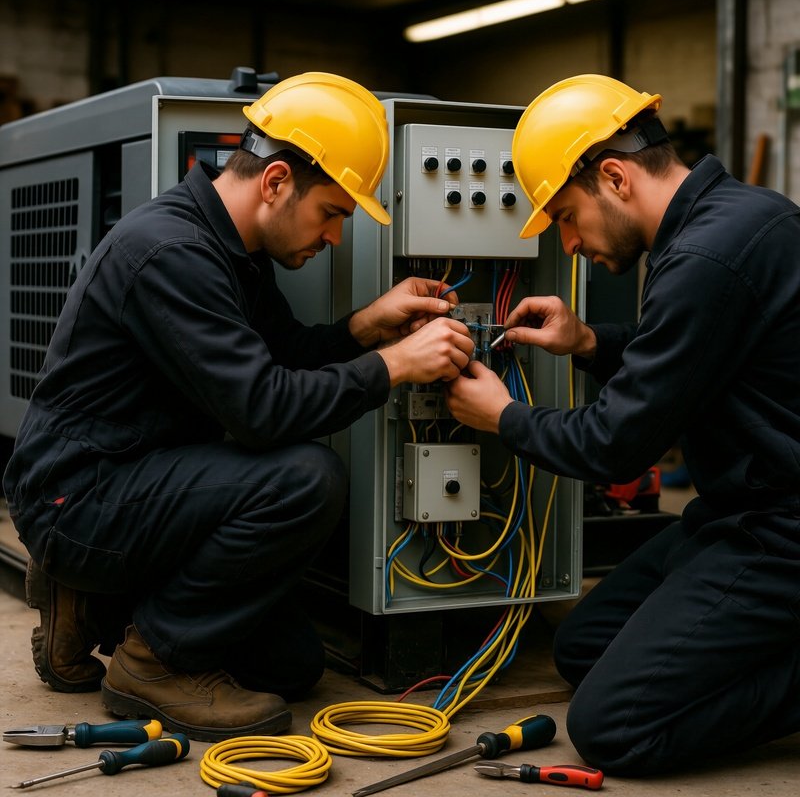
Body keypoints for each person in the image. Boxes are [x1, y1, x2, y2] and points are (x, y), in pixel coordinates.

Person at [2, 71, 474, 742]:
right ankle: (150, 662)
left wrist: (366, 327)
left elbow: (280, 354)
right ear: (277, 181)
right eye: (333, 214)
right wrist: (393, 366)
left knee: (291, 665)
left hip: (140, 478)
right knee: (307, 478)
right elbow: (263, 409)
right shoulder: (171, 253)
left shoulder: (232, 250)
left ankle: (96, 604)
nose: (335, 237)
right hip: (81, 495)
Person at [444, 73, 800, 775]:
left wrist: (504, 417)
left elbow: (615, 444)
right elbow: (694, 361)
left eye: (568, 217)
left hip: (782, 532)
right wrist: (590, 343)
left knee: (612, 728)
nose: (568, 243)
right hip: (738, 511)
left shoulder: (704, 257)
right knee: (581, 647)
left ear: (614, 176)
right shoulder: (730, 220)